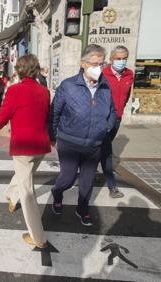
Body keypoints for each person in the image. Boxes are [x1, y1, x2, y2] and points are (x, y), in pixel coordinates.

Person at [49, 44, 116, 227]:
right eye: (95, 63)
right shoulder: (68, 85)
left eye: (102, 64)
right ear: (84, 64)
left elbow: (112, 111)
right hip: (69, 142)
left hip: (94, 144)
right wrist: (52, 136)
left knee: (87, 181)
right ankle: (57, 193)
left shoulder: (105, 86)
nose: (99, 68)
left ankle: (83, 209)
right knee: (67, 179)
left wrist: (106, 128)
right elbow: (54, 112)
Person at [0, 54, 50, 249]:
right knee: (24, 175)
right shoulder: (44, 91)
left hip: (23, 146)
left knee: (27, 192)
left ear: (19, 70)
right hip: (40, 145)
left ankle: (38, 237)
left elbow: (0, 119)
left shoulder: (15, 90)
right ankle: (10, 195)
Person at [101, 45, 134, 198]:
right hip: (102, 118)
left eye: (124, 58)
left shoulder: (129, 74)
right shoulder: (102, 73)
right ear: (111, 59)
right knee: (107, 150)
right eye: (118, 58)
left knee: (101, 148)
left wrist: (120, 112)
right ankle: (111, 185)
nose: (121, 61)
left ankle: (88, 169)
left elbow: (126, 96)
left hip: (117, 118)